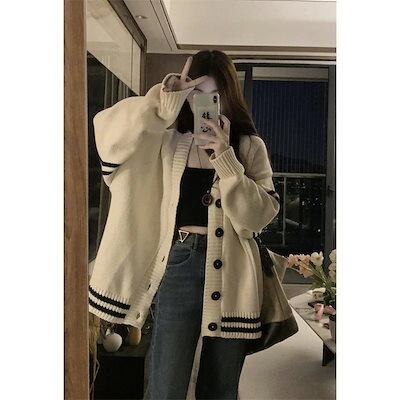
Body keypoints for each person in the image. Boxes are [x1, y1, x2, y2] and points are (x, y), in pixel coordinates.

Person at [89, 49, 280, 399]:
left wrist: (226, 158)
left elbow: (258, 219)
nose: (203, 103)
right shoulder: (164, 140)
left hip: (236, 274)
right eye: (195, 94)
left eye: (212, 94)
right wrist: (163, 101)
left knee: (220, 388)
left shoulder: (249, 145)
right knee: (166, 383)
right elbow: (109, 136)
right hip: (178, 262)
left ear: (228, 94)